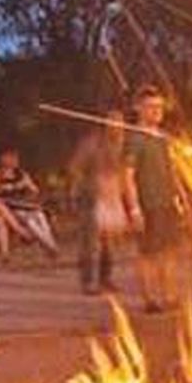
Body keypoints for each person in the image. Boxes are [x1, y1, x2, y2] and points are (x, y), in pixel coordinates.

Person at [124, 86, 186, 313]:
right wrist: (134, 208)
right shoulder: (135, 139)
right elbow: (127, 176)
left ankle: (168, 294)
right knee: (148, 253)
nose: (156, 111)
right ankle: (150, 299)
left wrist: (179, 197)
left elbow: (173, 170)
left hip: (167, 202)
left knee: (169, 250)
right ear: (138, 109)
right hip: (148, 204)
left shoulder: (163, 138)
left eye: (159, 107)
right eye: (150, 107)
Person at [70, 108, 128, 295]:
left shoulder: (122, 144)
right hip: (92, 196)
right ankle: (88, 281)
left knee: (108, 243)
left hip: (112, 196)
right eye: (113, 121)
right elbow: (76, 168)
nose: (117, 126)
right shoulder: (92, 144)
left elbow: (124, 170)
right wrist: (77, 191)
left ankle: (105, 278)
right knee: (90, 242)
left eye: (119, 121)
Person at [0, 148, 57, 261]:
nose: (14, 161)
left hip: (22, 205)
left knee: (40, 216)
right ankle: (44, 244)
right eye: (11, 158)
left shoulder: (22, 174)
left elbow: (35, 190)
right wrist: (5, 188)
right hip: (8, 208)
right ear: (3, 159)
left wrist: (28, 187)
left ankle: (51, 244)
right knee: (22, 220)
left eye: (16, 158)